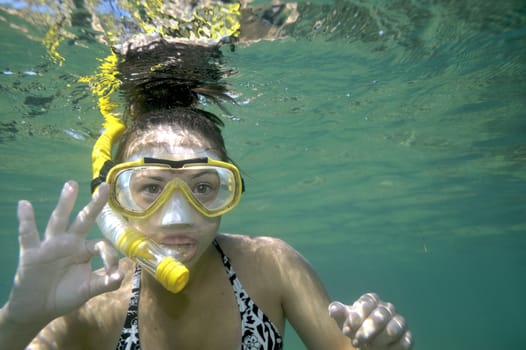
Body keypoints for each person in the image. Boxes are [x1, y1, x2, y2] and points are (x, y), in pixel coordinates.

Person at [0, 17, 413, 350]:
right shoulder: (93, 305)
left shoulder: (272, 265)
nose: (178, 217)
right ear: (117, 201)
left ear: (228, 190)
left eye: (202, 187)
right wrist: (18, 322)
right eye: (150, 188)